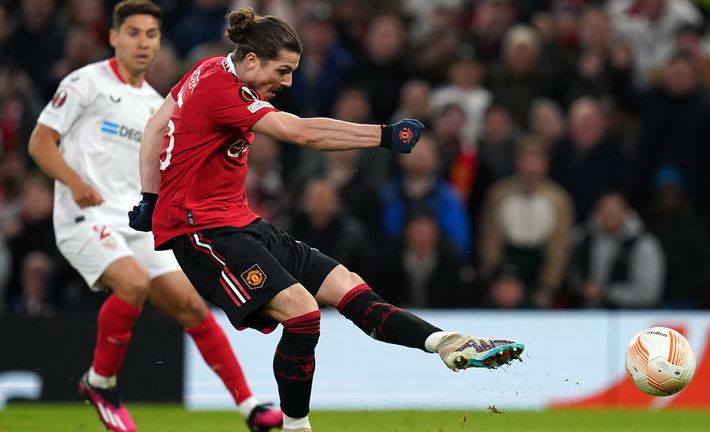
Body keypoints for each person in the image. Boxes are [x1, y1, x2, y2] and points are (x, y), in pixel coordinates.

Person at [129, 9, 524, 432]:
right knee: (302, 312)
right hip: (202, 231)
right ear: (251, 60)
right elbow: (302, 134)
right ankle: (296, 428)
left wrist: (149, 196)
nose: (287, 83)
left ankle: (444, 343)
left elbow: (155, 125)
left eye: (292, 72)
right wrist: (384, 135)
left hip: (240, 222)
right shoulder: (222, 89)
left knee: (346, 285)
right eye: (282, 70)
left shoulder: (207, 68)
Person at [27, 2, 282, 431]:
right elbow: (40, 142)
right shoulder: (85, 83)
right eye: (133, 33)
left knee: (191, 306)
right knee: (133, 283)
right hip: (84, 216)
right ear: (113, 37)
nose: (143, 42)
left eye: (151, 34)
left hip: (135, 221)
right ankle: (101, 383)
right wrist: (74, 182)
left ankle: (250, 407)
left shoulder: (157, 104)